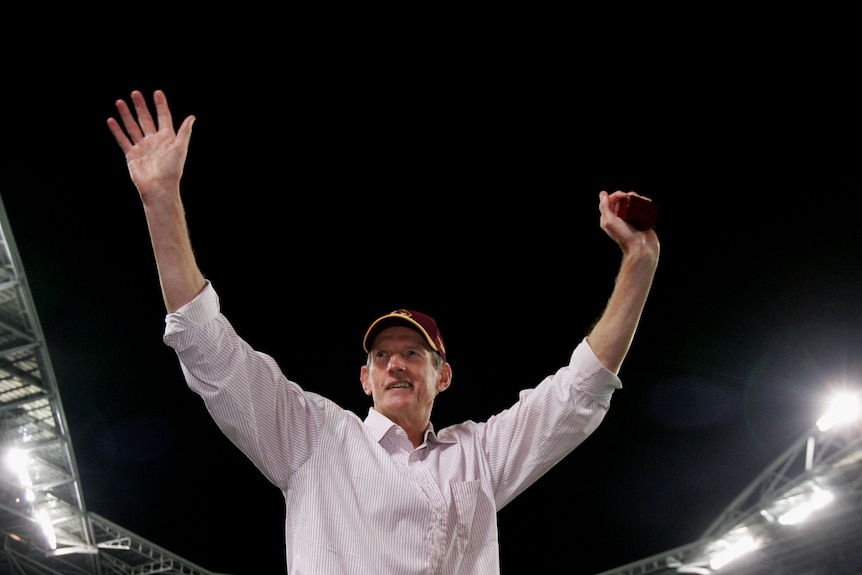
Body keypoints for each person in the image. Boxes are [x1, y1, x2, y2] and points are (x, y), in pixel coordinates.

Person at [107, 89, 660, 574]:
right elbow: (210, 349)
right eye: (381, 356)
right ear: (364, 378)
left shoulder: (480, 457)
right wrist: (161, 201)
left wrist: (638, 263)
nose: (395, 363)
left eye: (414, 353)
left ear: (443, 377)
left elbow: (581, 390)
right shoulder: (312, 437)